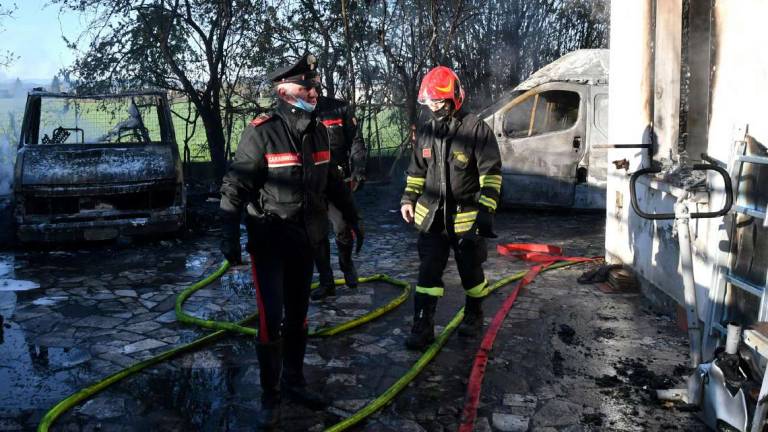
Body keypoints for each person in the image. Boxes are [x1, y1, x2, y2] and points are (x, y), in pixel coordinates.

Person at [218, 53, 363, 429]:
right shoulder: (261, 132)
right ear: (284, 91)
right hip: (270, 242)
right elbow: (235, 186)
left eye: (314, 87)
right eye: (306, 87)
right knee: (272, 320)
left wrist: (353, 217)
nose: (313, 93)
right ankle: (271, 394)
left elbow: (331, 180)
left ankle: (294, 381)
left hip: (307, 241)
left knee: (298, 318)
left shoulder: (318, 131)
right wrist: (228, 234)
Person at [399, 65, 502, 351]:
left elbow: (491, 174)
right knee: (427, 274)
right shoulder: (427, 133)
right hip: (432, 221)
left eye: (439, 101)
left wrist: (486, 212)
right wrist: (408, 199)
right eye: (430, 101)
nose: (434, 106)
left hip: (465, 221)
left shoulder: (475, 130)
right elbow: (416, 172)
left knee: (471, 274)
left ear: (455, 98)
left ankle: (473, 314)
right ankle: (422, 326)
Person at [310, 90, 367, 300]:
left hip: (338, 179)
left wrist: (358, 169)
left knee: (343, 226)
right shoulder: (298, 114)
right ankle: (326, 281)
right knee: (317, 233)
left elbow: (356, 141)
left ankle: (347, 264)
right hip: (312, 183)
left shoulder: (339, 108)